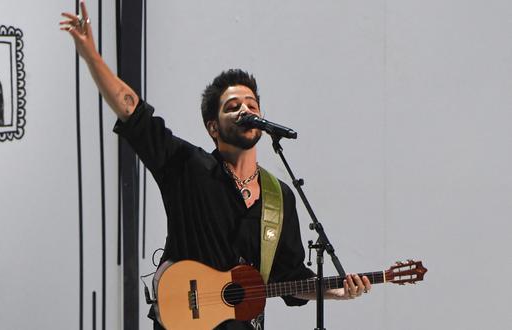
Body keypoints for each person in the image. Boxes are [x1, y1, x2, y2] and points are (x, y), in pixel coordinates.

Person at [61, 2, 372, 329]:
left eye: (252, 105)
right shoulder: (186, 167)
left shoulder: (279, 198)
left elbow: (290, 277)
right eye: (233, 106)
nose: (245, 111)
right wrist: (92, 57)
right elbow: (133, 113)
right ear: (213, 126)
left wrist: (337, 292)